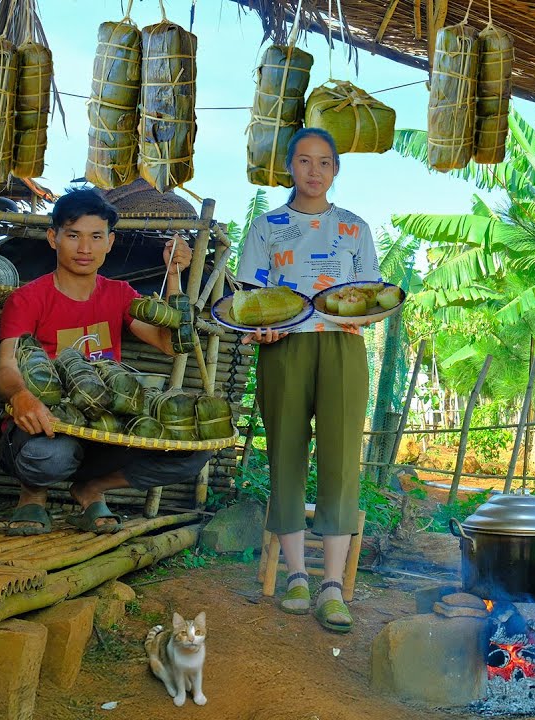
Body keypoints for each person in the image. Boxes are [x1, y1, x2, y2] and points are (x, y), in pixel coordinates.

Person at [0, 189, 211, 535]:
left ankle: (91, 489)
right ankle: (32, 496)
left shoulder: (120, 295)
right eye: (73, 236)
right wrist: (20, 395)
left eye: (96, 237)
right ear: (54, 238)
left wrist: (174, 276)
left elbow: (168, 344)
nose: (85, 249)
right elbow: (7, 365)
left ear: (110, 242)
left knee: (190, 453)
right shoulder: (28, 298)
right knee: (51, 456)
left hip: (105, 430)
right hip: (49, 428)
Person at [235, 128, 380, 633]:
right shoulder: (267, 227)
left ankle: (332, 586)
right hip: (284, 348)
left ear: (335, 170)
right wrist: (261, 329)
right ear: (289, 167)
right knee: (287, 453)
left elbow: (371, 297)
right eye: (303, 161)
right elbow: (248, 301)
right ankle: (297, 575)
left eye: (323, 162)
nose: (313, 171)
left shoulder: (355, 229)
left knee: (340, 461)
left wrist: (361, 316)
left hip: (342, 346)